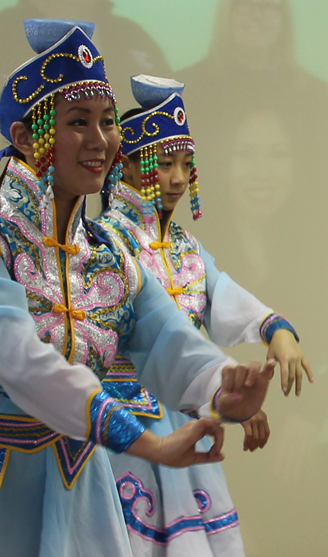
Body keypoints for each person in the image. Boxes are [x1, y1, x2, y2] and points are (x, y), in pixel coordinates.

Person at [0, 24, 274, 557]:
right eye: (77, 122)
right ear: (24, 137)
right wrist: (145, 441)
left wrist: (223, 386)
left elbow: (163, 339)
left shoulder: (109, 252)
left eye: (108, 122)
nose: (101, 140)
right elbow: (20, 360)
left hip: (71, 486)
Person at [96, 75, 312, 556]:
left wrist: (275, 331)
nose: (176, 178)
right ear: (124, 167)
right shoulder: (105, 242)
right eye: (162, 164)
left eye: (184, 165)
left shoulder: (186, 248)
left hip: (186, 417)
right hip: (125, 425)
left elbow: (225, 296)